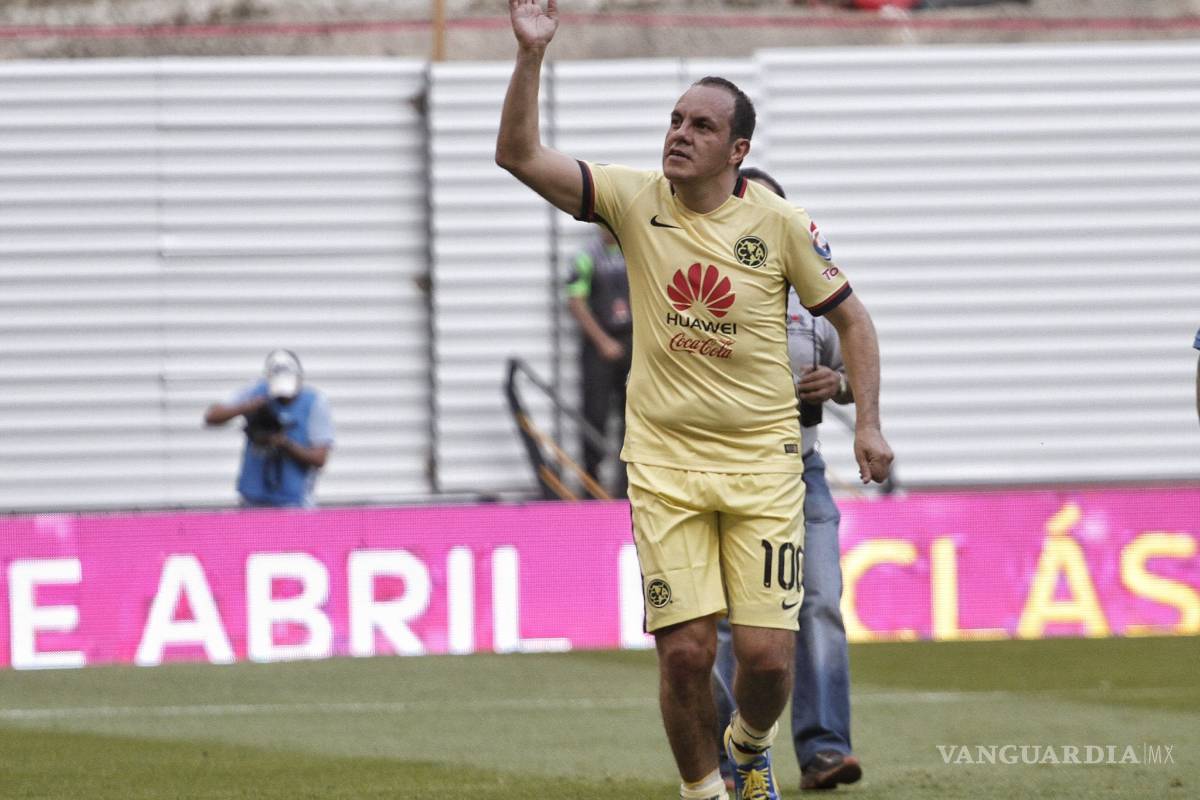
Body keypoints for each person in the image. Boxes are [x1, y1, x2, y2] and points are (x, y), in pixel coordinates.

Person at [496, 4, 893, 799]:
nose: (679, 134)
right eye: (675, 120)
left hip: (765, 469)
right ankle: (705, 792)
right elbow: (519, 154)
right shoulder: (630, 199)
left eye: (701, 126)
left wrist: (869, 425)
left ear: (737, 150)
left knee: (767, 660)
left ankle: (749, 746)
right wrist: (531, 56)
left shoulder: (781, 225)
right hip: (666, 467)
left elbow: (852, 318)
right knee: (684, 653)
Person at [712, 168, 862, 793]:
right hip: (725, 472)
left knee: (819, 604)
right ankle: (733, 758)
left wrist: (840, 385)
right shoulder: (700, 294)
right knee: (728, 622)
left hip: (802, 468)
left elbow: (852, 364)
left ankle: (825, 749)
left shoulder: (814, 302)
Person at [203, 349, 334, 508]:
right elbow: (212, 417)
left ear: (300, 378)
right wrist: (248, 408)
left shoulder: (314, 402)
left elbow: (320, 458)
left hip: (294, 503)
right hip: (253, 500)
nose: (283, 397)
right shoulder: (256, 393)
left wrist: (284, 443)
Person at [566, 225, 633, 497]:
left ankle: (628, 486)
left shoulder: (635, 251)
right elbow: (575, 302)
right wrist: (602, 341)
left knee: (634, 418)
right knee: (594, 416)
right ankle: (591, 487)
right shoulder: (587, 256)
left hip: (631, 343)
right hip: (598, 346)